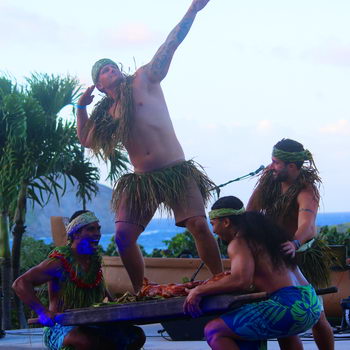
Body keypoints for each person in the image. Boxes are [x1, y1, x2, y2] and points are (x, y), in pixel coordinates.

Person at [76, 0, 222, 293]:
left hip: (175, 171)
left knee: (198, 224)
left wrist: (192, 9)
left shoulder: (144, 78)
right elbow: (87, 140)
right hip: (141, 180)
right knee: (123, 235)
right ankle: (141, 287)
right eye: (103, 70)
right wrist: (81, 108)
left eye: (112, 65)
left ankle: (221, 277)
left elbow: (171, 43)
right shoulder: (106, 113)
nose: (110, 69)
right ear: (99, 85)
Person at [183, 196, 321, 350]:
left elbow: (241, 280)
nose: (214, 231)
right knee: (284, 330)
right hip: (311, 304)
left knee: (214, 330)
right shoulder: (266, 235)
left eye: (213, 224)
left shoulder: (239, 242)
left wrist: (199, 290)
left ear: (226, 222)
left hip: (289, 308)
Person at [13, 210, 145, 350]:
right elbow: (20, 284)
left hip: (93, 325)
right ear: (75, 233)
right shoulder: (59, 262)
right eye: (90, 229)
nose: (97, 233)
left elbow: (105, 296)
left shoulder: (94, 263)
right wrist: (43, 312)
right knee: (84, 340)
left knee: (135, 335)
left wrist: (121, 307)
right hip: (61, 327)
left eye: (98, 229)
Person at [247, 138, 334, 350]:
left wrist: (294, 243)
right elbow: (250, 212)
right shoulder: (270, 184)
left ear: (291, 166)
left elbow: (308, 226)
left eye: (276, 162)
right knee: (283, 318)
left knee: (317, 317)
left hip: (301, 253)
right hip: (278, 257)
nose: (271, 166)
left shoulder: (306, 191)